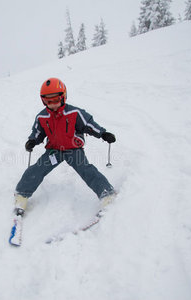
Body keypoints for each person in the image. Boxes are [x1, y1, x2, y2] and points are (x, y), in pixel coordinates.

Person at [13, 77, 117, 217]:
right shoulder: (42, 117)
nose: (53, 104)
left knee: (86, 169)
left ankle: (106, 193)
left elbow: (89, 125)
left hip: (73, 149)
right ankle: (21, 196)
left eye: (55, 100)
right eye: (48, 101)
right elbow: (37, 132)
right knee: (38, 169)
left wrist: (103, 134)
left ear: (63, 97)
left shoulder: (74, 113)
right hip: (54, 151)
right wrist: (32, 141)